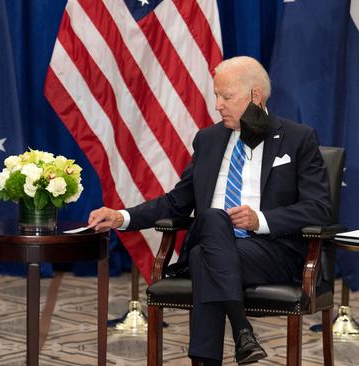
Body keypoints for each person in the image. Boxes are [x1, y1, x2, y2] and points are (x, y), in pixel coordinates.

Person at [87, 56, 332, 365]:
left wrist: (262, 220)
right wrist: (122, 216)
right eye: (216, 95)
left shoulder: (298, 139)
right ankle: (242, 329)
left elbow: (319, 209)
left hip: (271, 251)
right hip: (217, 239)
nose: (217, 105)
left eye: (226, 97)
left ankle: (212, 356)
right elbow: (177, 202)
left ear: (255, 95)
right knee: (215, 221)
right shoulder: (209, 139)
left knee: (205, 258)